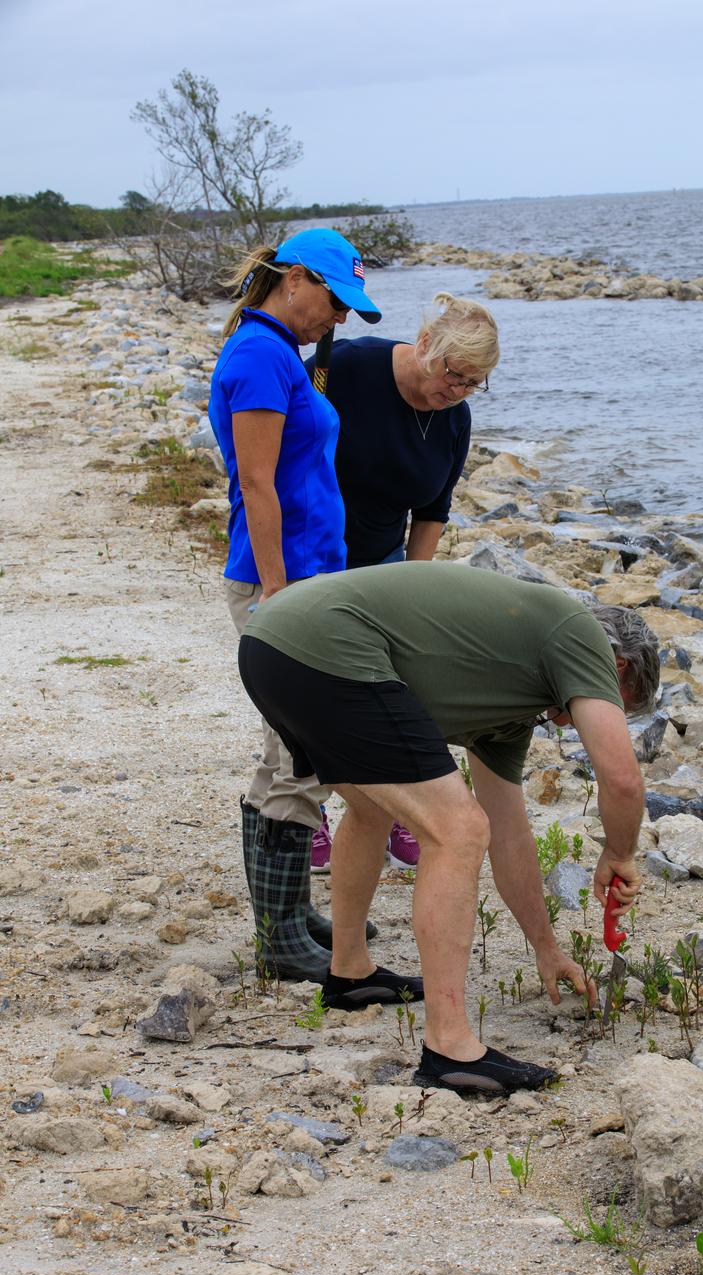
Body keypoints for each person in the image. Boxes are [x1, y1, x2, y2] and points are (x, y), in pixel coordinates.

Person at [238, 562, 660, 1093]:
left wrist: (545, 946)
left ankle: (349, 974)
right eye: (614, 702)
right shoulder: (575, 632)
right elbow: (621, 778)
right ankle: (450, 1046)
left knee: (375, 808)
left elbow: (509, 831)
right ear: (615, 665)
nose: (579, 721)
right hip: (321, 646)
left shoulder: (512, 694)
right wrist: (620, 854)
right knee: (456, 830)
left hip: (274, 644)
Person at [208, 227, 382, 983]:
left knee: (289, 751)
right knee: (297, 752)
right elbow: (256, 483)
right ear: (296, 279)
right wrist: (279, 597)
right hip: (279, 582)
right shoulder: (256, 356)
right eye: (335, 301)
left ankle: (288, 918)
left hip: (310, 574)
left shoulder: (281, 352)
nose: (338, 319)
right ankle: (282, 942)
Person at [304, 293, 500, 873]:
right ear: (423, 347)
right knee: (310, 689)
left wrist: (412, 586)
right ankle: (306, 807)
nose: (458, 390)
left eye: (474, 383)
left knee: (389, 690)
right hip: (314, 554)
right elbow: (286, 446)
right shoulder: (348, 367)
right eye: (453, 373)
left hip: (385, 561)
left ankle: (389, 815)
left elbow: (434, 507)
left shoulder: (455, 419)